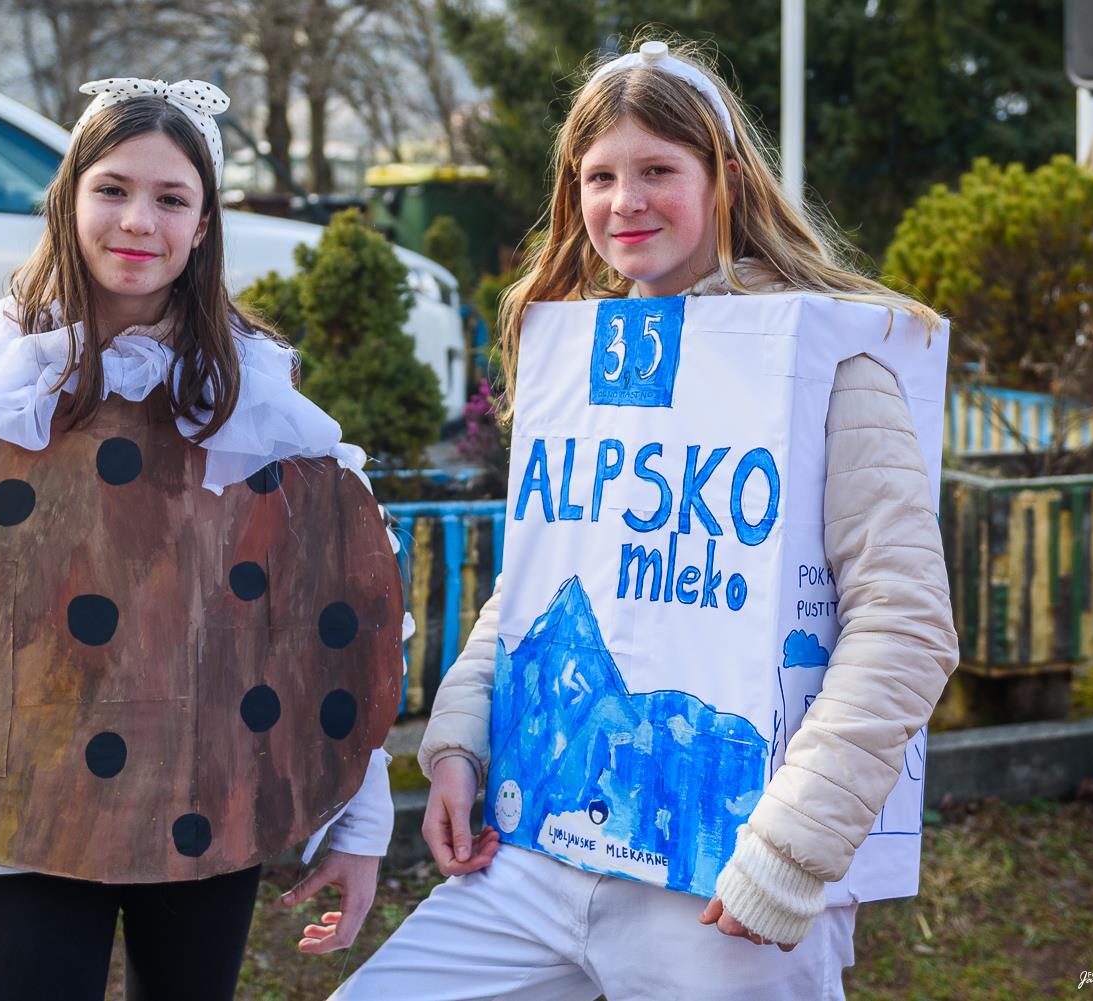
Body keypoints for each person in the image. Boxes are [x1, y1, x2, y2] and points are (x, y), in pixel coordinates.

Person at [330, 38, 958, 1001]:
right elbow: (540, 582)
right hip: (536, 854)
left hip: (723, 879)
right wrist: (459, 742)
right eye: (601, 176)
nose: (626, 200)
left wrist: (790, 850)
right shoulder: (579, 361)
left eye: (658, 170)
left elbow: (905, 623)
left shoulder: (831, 358)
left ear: (726, 180)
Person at [0, 77, 392, 1001]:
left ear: (205, 224)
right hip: (31, 797)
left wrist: (357, 826)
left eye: (172, 198)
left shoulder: (251, 389)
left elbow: (333, 614)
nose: (138, 221)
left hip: (210, 791)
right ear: (68, 199)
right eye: (112, 189)